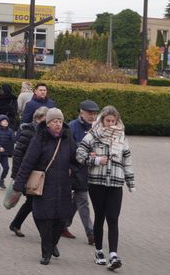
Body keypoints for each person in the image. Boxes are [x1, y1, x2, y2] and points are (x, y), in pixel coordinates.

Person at [13, 108, 78, 265]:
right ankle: (46, 252)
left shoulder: (67, 137)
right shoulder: (39, 138)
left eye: (60, 121)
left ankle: (52, 243)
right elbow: (28, 162)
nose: (58, 124)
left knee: (61, 219)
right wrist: (18, 184)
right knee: (43, 218)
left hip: (63, 185)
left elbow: (76, 159)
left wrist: (72, 169)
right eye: (54, 121)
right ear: (48, 123)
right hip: (43, 185)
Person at [76, 106, 135, 270]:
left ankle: (113, 255)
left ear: (117, 121)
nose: (110, 124)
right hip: (97, 182)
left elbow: (127, 158)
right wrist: (94, 160)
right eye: (107, 121)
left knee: (113, 218)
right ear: (102, 120)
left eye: (113, 121)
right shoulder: (93, 135)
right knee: (100, 216)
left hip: (116, 182)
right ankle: (99, 250)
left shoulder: (121, 136)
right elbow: (79, 154)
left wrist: (130, 181)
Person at [9, 106, 49, 238]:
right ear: (37, 119)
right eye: (45, 119)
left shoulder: (46, 133)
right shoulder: (29, 132)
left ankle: (16, 223)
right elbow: (18, 153)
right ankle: (46, 235)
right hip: (29, 174)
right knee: (35, 203)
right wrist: (16, 175)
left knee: (31, 203)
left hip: (40, 175)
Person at [64, 100, 99, 244]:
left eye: (95, 113)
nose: (92, 116)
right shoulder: (72, 127)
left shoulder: (98, 128)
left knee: (77, 201)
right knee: (83, 201)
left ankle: (63, 225)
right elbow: (68, 149)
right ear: (81, 112)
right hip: (76, 170)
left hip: (92, 170)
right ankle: (91, 234)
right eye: (90, 113)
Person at [0, 115, 14, 189]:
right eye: (3, 121)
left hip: (5, 154)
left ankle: (1, 179)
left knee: (6, 168)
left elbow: (13, 140)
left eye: (6, 121)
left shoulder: (10, 131)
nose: (6, 122)